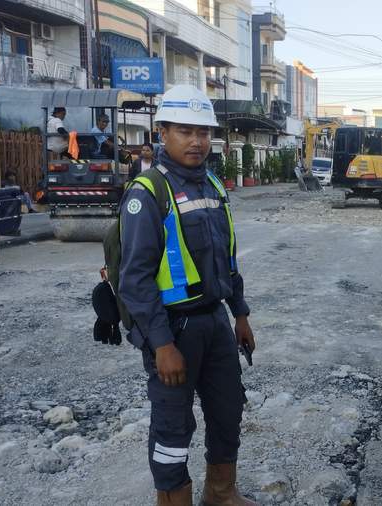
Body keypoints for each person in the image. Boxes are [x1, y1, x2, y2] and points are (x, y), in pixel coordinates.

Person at [118, 84, 258, 506]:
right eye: (184, 131)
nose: (197, 141)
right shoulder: (147, 193)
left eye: (203, 132)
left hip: (215, 322)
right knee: (173, 429)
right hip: (173, 330)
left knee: (227, 412)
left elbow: (226, 258)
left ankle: (221, 495)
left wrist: (240, 314)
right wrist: (161, 345)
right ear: (162, 132)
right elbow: (136, 280)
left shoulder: (213, 185)